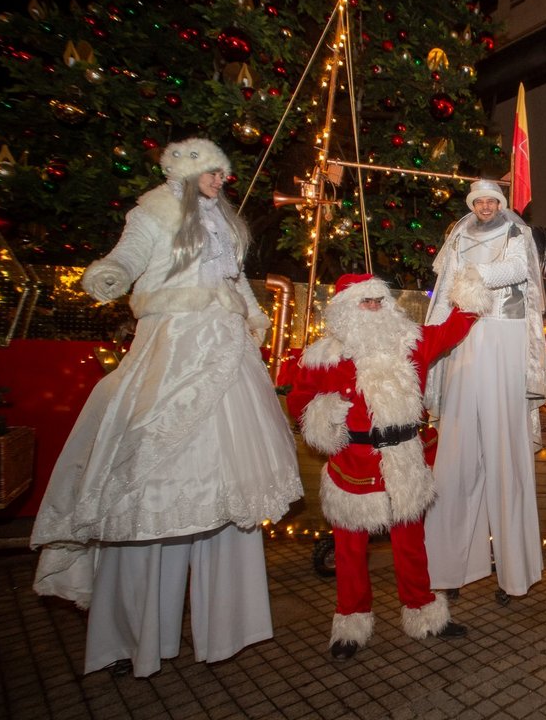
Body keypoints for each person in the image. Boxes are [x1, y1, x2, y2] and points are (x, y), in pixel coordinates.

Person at [30, 138, 303, 677]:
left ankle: (228, 625)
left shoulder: (222, 222)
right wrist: (110, 274)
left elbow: (231, 279)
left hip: (227, 352)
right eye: (213, 173)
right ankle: (137, 635)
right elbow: (129, 254)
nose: (221, 181)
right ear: (188, 173)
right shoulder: (154, 210)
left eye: (224, 174)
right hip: (174, 346)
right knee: (149, 474)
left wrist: (254, 314)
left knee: (229, 487)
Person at [286, 272, 490, 661]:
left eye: (380, 300)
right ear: (347, 309)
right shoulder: (323, 356)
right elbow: (299, 400)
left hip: (403, 461)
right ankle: (351, 623)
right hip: (352, 463)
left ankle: (424, 614)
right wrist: (322, 413)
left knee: (411, 544)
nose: (376, 307)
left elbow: (453, 328)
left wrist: (470, 293)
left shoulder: (410, 342)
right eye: (367, 301)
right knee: (349, 550)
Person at [422, 179, 546, 605]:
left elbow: (519, 271)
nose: (483, 205)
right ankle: (449, 566)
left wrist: (476, 274)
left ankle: (514, 572)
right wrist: (434, 340)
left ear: (499, 203)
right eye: (477, 200)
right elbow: (443, 293)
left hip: (503, 338)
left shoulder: (517, 232)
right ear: (471, 204)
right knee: (456, 455)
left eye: (489, 200)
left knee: (503, 453)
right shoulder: (458, 234)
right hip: (463, 339)